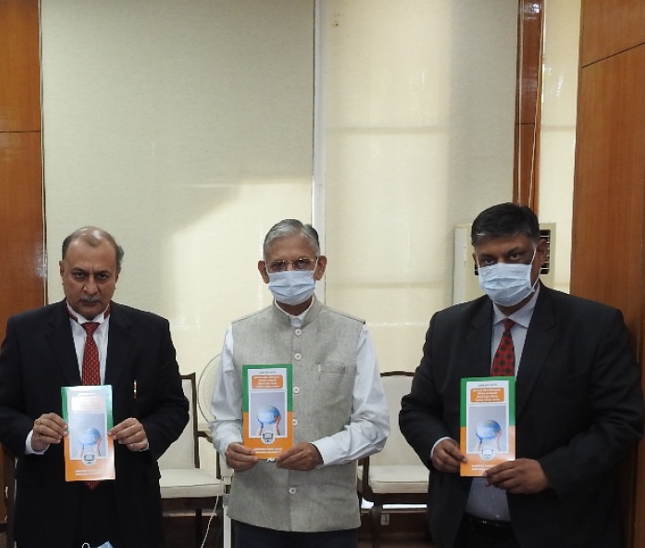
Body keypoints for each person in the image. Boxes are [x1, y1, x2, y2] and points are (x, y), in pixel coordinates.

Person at [399, 202, 645, 548]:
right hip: (462, 530)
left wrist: (550, 471)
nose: (501, 268)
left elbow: (621, 421)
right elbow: (417, 409)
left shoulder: (593, 326)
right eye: (488, 260)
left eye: (514, 256)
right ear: (475, 261)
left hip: (560, 530)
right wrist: (436, 444)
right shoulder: (448, 327)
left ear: (540, 253)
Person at [0, 226, 189, 548]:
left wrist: (148, 433)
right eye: (79, 275)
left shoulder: (151, 332)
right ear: (61, 271)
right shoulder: (25, 331)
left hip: (128, 501)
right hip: (49, 502)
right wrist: (31, 435)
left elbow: (174, 407)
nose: (91, 288)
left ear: (117, 275)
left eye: (102, 276)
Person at [209, 219, 389, 548]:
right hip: (258, 513)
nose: (289, 272)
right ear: (264, 271)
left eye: (301, 262)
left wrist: (321, 452)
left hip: (329, 515)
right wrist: (230, 444)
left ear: (320, 266)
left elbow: (374, 425)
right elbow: (223, 418)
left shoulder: (353, 333)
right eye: (278, 265)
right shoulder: (239, 334)